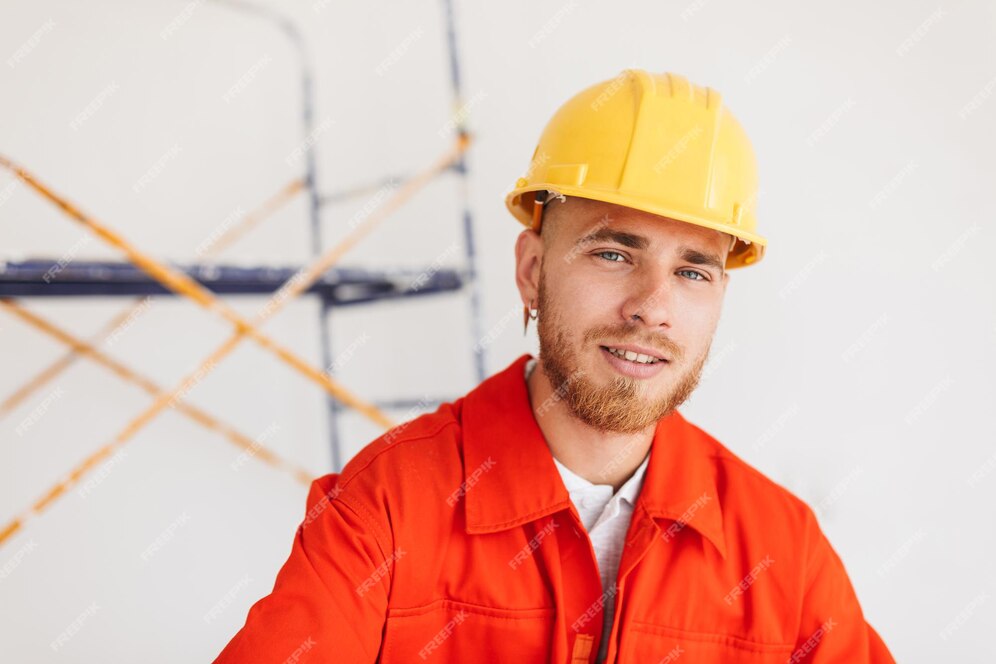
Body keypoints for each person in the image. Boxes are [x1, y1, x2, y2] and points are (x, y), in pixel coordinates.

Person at [214, 69, 895, 663]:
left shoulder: (782, 551)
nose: (652, 308)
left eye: (693, 270)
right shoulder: (387, 510)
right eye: (613, 254)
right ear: (532, 269)